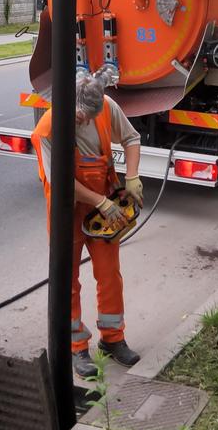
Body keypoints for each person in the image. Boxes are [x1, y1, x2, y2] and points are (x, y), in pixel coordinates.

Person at [31, 67, 144, 379]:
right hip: (68, 208)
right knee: (67, 281)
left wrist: (132, 177)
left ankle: (113, 339)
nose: (85, 121)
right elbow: (62, 180)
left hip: (103, 205)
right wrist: (101, 203)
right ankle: (76, 348)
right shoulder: (48, 129)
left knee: (109, 274)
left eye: (89, 116)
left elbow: (132, 138)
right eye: (80, 116)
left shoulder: (106, 107)